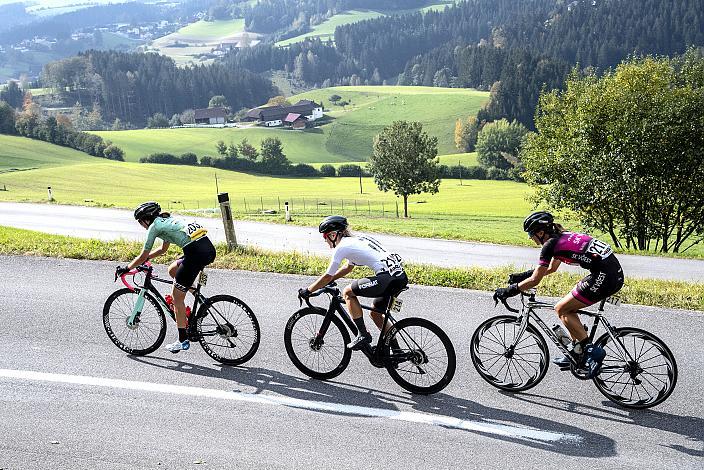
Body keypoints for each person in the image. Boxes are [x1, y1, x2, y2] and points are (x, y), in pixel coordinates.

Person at [494, 211, 624, 378]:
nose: (531, 239)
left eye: (532, 235)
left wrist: (510, 290)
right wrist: (523, 275)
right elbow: (551, 268)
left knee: (562, 309)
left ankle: (592, 351)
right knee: (570, 305)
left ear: (541, 233)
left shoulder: (550, 245)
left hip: (605, 276)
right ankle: (577, 350)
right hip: (610, 272)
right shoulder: (562, 236)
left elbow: (535, 280)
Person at [116, 201, 216, 353]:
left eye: (140, 222)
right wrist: (147, 259)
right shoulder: (166, 221)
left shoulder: (154, 227)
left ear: (146, 219)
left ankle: (182, 340)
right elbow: (163, 249)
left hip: (195, 253)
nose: (141, 225)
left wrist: (127, 268)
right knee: (172, 270)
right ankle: (200, 299)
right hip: (206, 249)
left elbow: (143, 254)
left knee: (176, 298)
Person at [298, 215, 408, 350]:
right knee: (376, 314)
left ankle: (363, 334)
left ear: (333, 235)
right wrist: (330, 280)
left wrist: (308, 290)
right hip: (400, 277)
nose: (325, 241)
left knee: (348, 292)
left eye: (325, 237)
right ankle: (396, 351)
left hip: (387, 278)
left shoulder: (341, 247)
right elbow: (348, 268)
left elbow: (327, 276)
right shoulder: (356, 241)